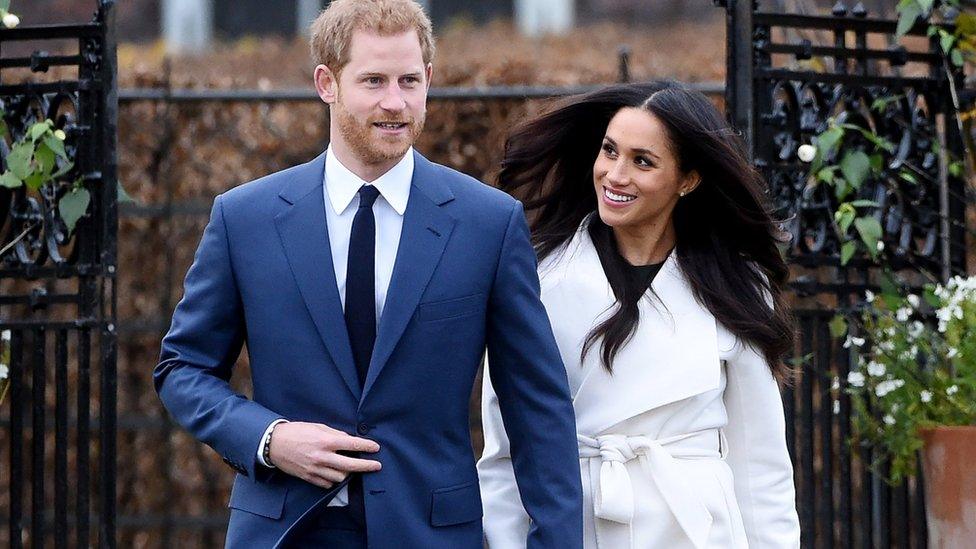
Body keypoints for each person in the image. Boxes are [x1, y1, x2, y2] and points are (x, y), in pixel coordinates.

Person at [153, 1, 583, 547]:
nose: (395, 103)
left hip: (429, 534)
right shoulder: (245, 219)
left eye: (409, 81)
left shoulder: (488, 224)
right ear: (326, 83)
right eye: (374, 81)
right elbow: (182, 369)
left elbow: (538, 406)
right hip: (284, 532)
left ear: (429, 78)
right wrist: (269, 437)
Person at [478, 81, 802, 548]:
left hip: (696, 529)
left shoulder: (737, 288)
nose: (614, 174)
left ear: (687, 180)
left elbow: (761, 466)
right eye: (609, 151)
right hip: (580, 523)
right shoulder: (538, 279)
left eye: (642, 161)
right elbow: (505, 453)